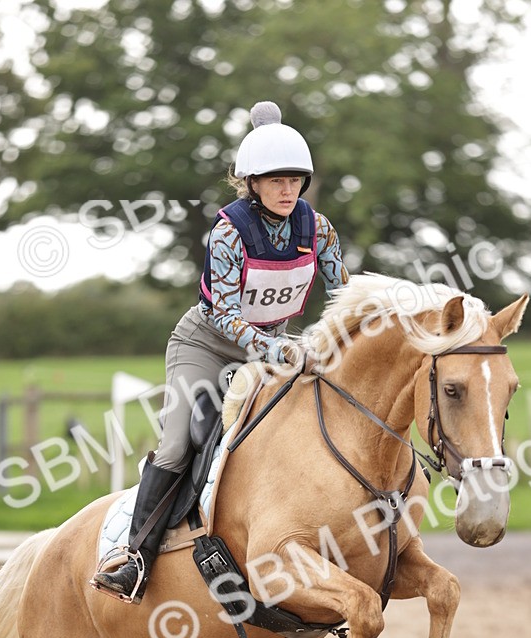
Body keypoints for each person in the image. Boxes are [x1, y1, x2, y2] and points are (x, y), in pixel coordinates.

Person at [91, 100, 349, 603]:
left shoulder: (317, 229)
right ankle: (134, 558)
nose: (287, 189)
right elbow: (226, 315)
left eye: (295, 180)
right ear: (252, 183)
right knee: (178, 443)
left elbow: (343, 293)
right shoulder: (230, 231)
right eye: (275, 180)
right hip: (206, 345)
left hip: (271, 349)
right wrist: (279, 348)